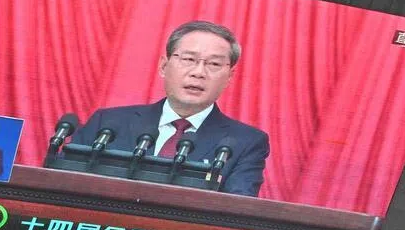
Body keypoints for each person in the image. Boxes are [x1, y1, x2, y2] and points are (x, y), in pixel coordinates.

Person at [71, 21, 270, 197]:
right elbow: (65, 183)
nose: (198, 72)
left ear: (229, 77)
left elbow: (236, 210)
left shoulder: (246, 143)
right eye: (189, 59)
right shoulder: (107, 124)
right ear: (164, 66)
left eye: (214, 64)